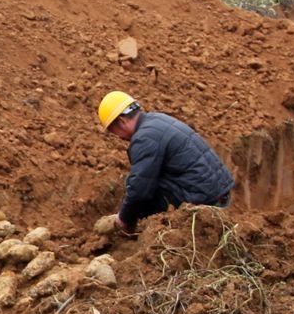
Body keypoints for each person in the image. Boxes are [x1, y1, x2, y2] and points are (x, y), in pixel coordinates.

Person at [97, 91, 235, 232]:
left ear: (121, 121)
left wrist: (122, 219)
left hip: (204, 200)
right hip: (219, 192)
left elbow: (139, 189)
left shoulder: (144, 138)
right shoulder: (157, 120)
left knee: (139, 189)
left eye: (114, 131)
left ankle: (148, 233)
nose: (118, 138)